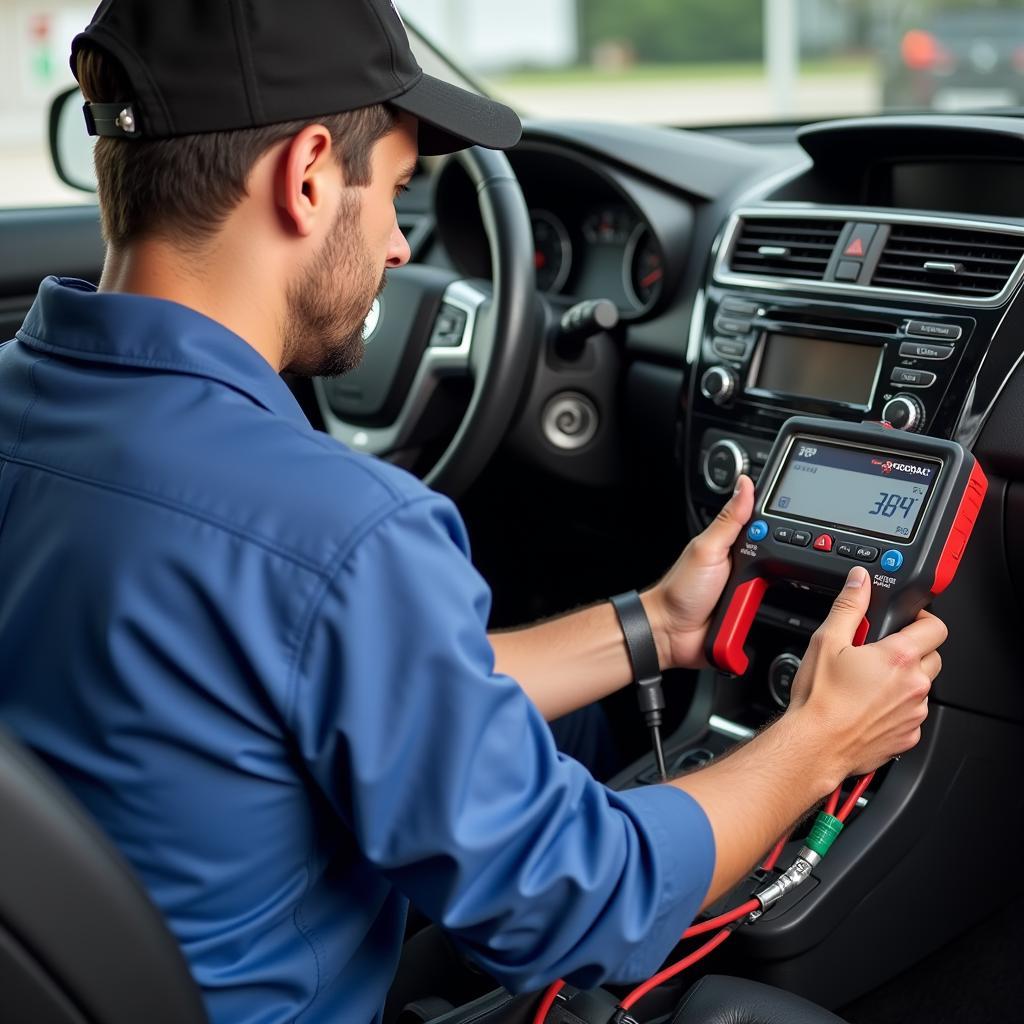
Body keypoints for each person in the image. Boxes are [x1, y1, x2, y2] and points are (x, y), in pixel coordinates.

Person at [0, 2, 945, 1023]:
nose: (401, 252)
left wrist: (651, 628)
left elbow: (320, 678)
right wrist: (821, 738)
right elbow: (583, 905)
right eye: (398, 192)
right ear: (308, 173)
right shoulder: (341, 532)